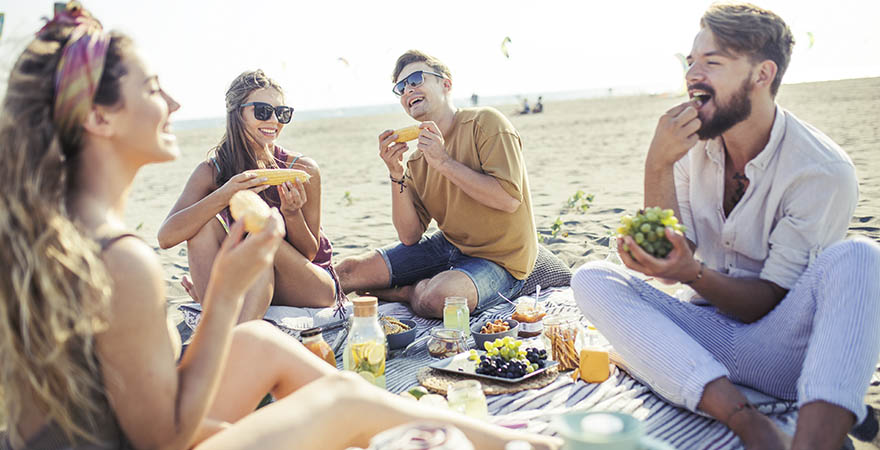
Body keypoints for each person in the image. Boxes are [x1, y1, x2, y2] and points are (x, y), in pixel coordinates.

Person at [0, 5, 563, 450]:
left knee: (263, 342)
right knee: (338, 403)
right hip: (137, 436)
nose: (173, 102)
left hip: (100, 429)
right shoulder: (125, 260)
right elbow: (162, 437)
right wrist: (223, 295)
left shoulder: (57, 227)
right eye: (152, 89)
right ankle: (519, 444)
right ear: (98, 118)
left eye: (280, 113)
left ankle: (505, 441)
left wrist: (287, 222)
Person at [571, 3, 880, 449]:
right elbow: (662, 262)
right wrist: (657, 163)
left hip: (782, 348)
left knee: (861, 256)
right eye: (691, 61)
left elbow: (761, 306)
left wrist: (690, 273)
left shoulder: (821, 170)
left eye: (712, 62)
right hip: (705, 331)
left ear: (762, 74)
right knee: (592, 277)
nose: (693, 73)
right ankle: (749, 422)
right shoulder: (689, 146)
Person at [335, 50, 538, 319]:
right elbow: (410, 236)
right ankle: (424, 281)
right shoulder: (418, 160)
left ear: (446, 84)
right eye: (401, 87)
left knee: (439, 298)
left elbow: (508, 199)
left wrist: (443, 162)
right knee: (346, 272)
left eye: (416, 79)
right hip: (450, 245)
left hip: (502, 259)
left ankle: (406, 292)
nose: (408, 90)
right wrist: (396, 173)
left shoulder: (486, 123)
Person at [158, 69, 342, 323]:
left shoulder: (302, 169)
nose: (274, 121)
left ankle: (235, 334)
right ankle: (220, 316)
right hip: (251, 280)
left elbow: (310, 253)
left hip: (311, 286)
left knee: (259, 241)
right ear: (237, 113)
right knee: (201, 226)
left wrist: (291, 213)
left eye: (282, 113)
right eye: (263, 111)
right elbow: (167, 236)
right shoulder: (212, 172)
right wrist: (226, 193)